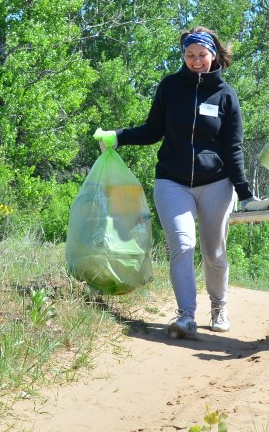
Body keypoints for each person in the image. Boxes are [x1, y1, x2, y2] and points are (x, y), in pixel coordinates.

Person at [104, 26, 254, 339]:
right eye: (190, 55)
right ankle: (186, 315)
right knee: (183, 245)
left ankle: (219, 306)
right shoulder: (170, 87)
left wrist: (244, 192)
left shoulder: (226, 96)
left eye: (202, 54)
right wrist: (118, 137)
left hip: (216, 183)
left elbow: (233, 147)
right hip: (172, 182)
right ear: (183, 55)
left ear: (214, 55)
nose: (196, 61)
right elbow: (152, 130)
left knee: (214, 253)